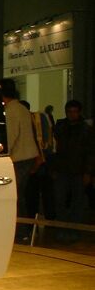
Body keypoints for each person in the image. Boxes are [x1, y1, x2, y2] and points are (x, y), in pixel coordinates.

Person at [0, 79, 40, 243]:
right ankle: (24, 230)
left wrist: (2, 156)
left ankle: (21, 231)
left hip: (19, 158)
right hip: (28, 157)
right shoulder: (21, 108)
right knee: (19, 195)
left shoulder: (11, 111)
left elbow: (11, 136)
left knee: (15, 196)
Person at [51, 99, 95, 241]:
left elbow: (90, 152)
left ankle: (74, 230)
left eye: (74, 112)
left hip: (78, 170)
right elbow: (55, 149)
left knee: (77, 201)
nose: (72, 114)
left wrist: (88, 172)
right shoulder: (61, 127)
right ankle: (63, 229)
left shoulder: (85, 129)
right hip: (63, 169)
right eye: (69, 112)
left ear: (79, 112)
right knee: (60, 200)